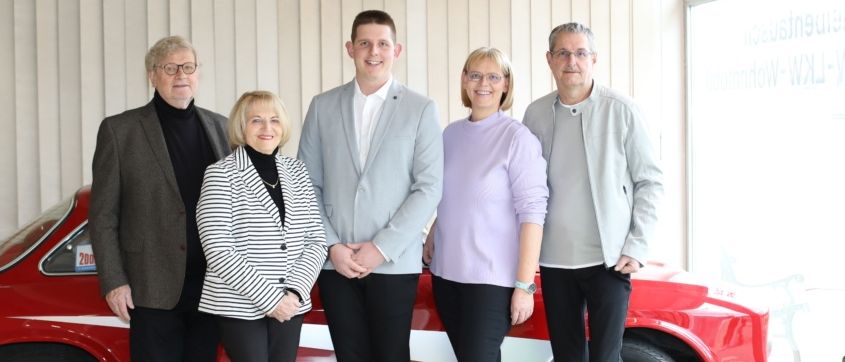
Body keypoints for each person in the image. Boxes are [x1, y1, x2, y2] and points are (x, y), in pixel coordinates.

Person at [297, 9, 443, 362]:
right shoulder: (322, 106)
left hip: (392, 261)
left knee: (391, 355)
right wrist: (332, 247)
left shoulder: (421, 108)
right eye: (364, 43)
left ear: (397, 50)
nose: (373, 51)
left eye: (382, 43)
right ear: (350, 48)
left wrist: (381, 247)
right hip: (337, 262)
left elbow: (429, 187)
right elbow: (306, 184)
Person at [522, 22, 664, 361]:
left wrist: (637, 244)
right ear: (549, 59)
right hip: (554, 261)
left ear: (594, 59)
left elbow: (651, 181)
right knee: (567, 357)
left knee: (606, 356)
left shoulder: (622, 110)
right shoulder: (535, 114)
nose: (572, 61)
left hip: (610, 260)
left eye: (581, 53)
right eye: (563, 53)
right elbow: (523, 185)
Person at [89, 35, 229, 361]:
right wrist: (114, 282)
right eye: (170, 67)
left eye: (188, 67)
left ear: (197, 73)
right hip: (151, 290)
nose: (181, 74)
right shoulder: (119, 131)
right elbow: (103, 216)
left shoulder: (222, 128)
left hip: (212, 289)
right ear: (153, 75)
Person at [422, 47, 548, 362]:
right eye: (475, 75)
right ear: (464, 81)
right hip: (446, 277)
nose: (484, 83)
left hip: (492, 282)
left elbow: (533, 213)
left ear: (506, 84)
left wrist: (524, 285)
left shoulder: (517, 138)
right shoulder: (450, 135)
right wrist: (434, 231)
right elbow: (455, 194)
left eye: (494, 76)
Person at [196, 90, 328, 361]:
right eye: (256, 120)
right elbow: (218, 250)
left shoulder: (298, 172)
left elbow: (316, 240)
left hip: (291, 304)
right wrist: (271, 300)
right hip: (239, 306)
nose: (267, 128)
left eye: (275, 120)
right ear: (241, 127)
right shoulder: (220, 174)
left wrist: (293, 293)